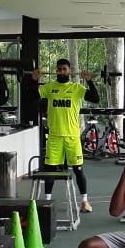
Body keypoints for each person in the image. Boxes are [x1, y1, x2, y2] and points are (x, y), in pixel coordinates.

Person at [32, 59, 100, 213]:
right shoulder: (49, 87)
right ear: (56, 71)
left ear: (69, 71)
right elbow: (31, 96)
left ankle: (84, 202)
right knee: (50, 170)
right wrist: (34, 80)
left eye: (64, 69)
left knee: (78, 169)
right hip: (55, 137)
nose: (61, 71)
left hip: (72, 137)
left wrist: (89, 81)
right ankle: (47, 202)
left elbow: (95, 98)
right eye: (59, 69)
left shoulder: (76, 88)